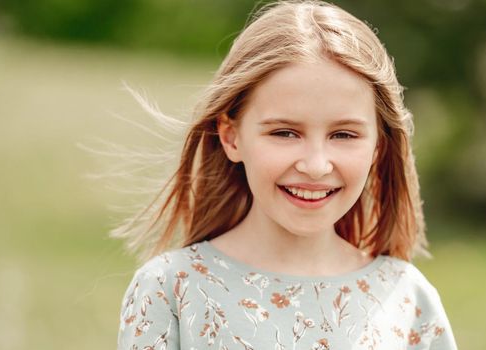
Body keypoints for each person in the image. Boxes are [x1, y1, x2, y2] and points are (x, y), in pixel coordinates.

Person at [115, 1, 458, 349]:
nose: (315, 165)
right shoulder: (170, 289)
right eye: (284, 133)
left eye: (344, 135)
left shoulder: (406, 298)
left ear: (378, 148)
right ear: (231, 137)